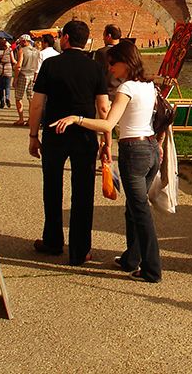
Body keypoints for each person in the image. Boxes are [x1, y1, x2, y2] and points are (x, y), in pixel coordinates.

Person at [51, 42, 163, 283]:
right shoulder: (149, 86)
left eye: (113, 63)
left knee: (140, 210)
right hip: (151, 149)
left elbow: (107, 124)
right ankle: (131, 259)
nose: (110, 68)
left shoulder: (127, 88)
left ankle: (152, 268)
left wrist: (76, 119)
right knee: (133, 208)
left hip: (134, 151)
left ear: (126, 62)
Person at [28, 20, 109, 266]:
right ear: (84, 41)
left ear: (65, 39)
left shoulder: (51, 65)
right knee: (83, 192)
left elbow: (37, 103)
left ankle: (52, 241)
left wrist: (33, 135)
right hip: (85, 135)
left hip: (55, 133)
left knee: (52, 187)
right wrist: (106, 142)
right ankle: (80, 250)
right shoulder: (96, 67)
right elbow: (103, 107)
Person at [12, 34, 40, 125]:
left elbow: (19, 65)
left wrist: (15, 78)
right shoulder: (37, 51)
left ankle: (21, 119)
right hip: (33, 75)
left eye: (20, 41)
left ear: (24, 41)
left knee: (18, 97)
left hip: (23, 75)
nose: (19, 43)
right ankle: (30, 119)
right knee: (31, 98)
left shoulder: (22, 51)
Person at [94, 23, 122, 101]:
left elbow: (98, 75)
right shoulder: (126, 51)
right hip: (122, 92)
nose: (103, 39)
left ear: (108, 36)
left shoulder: (101, 52)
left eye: (104, 35)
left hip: (107, 94)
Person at [0, 38, 14, 109]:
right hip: (8, 69)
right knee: (7, 86)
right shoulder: (9, 50)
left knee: (1, 88)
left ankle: (2, 102)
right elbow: (13, 60)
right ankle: (7, 97)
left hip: (0, 70)